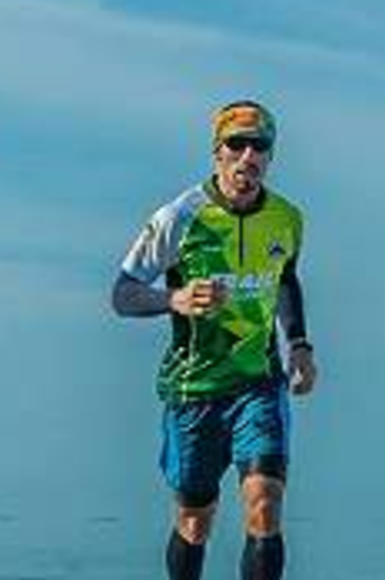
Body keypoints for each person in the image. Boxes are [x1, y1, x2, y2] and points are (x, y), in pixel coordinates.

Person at [111, 99, 317, 580]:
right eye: (237, 144)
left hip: (258, 382)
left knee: (264, 504)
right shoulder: (180, 217)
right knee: (194, 521)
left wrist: (299, 345)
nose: (248, 156)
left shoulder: (287, 219)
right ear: (217, 151)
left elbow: (285, 279)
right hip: (194, 389)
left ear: (270, 155)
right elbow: (122, 294)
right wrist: (175, 299)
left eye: (259, 146)